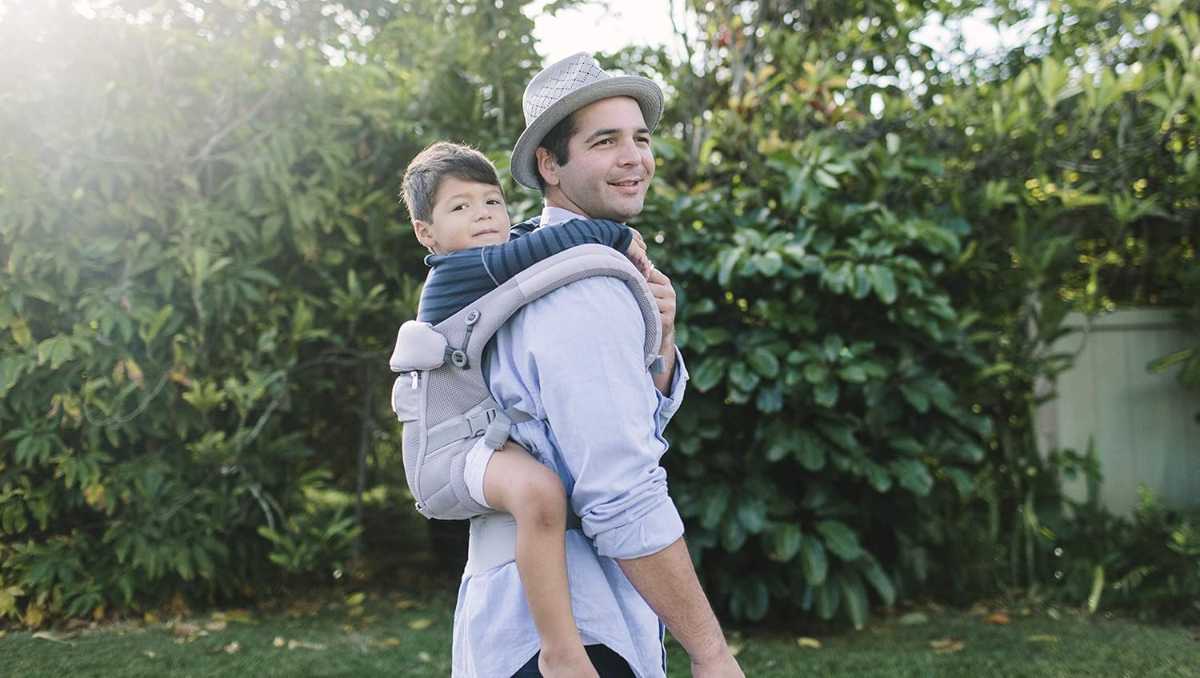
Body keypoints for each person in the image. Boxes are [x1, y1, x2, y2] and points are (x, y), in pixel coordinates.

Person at [449, 52, 745, 677]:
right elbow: (621, 490)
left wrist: (661, 347)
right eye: (605, 141)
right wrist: (711, 652)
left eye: (641, 137)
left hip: (520, 622)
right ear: (549, 164)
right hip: (581, 634)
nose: (634, 158)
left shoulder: (532, 259)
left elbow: (597, 418)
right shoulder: (580, 286)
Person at [398, 140, 656, 678]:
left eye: (491, 202)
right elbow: (536, 251)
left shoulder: (489, 258)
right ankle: (560, 649)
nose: (482, 215)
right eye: (460, 207)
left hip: (473, 440)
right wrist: (616, 235)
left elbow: (531, 245)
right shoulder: (461, 270)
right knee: (539, 492)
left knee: (543, 491)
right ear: (427, 234)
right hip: (445, 451)